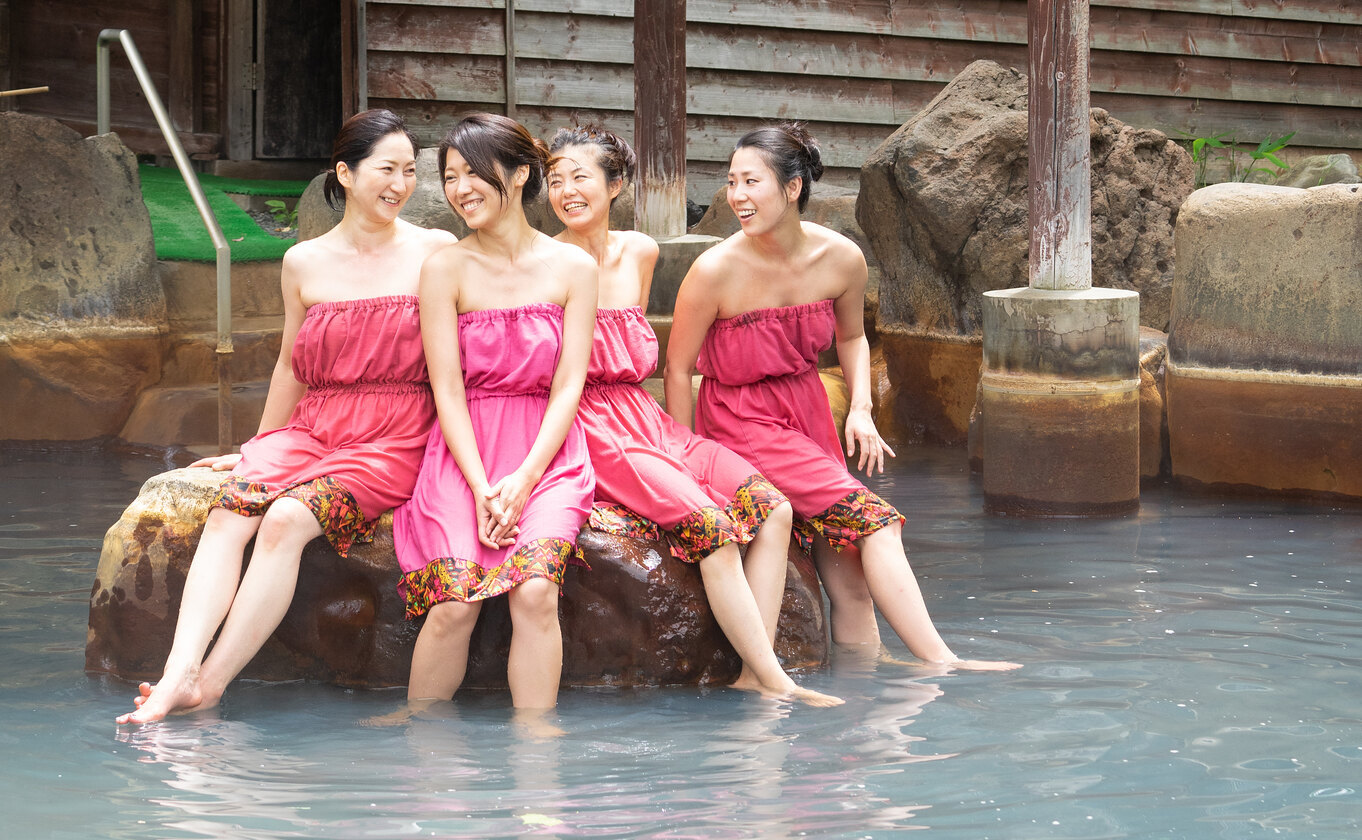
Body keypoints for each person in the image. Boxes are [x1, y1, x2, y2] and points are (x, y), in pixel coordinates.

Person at [117, 109, 458, 724]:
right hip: (316, 423)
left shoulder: (436, 251)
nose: (401, 184)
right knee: (229, 511)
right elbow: (290, 366)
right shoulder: (303, 261)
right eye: (387, 169)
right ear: (345, 174)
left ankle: (210, 685)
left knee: (285, 520)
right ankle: (177, 672)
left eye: (410, 171)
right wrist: (263, 444)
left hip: (397, 427)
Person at [664, 123, 1019, 672]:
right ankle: (940, 660)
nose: (736, 196)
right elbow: (679, 366)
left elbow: (853, 338)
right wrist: (686, 456)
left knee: (849, 571)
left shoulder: (842, 259)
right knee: (875, 520)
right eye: (731, 182)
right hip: (740, 418)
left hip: (808, 414)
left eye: (750, 182)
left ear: (793, 186)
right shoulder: (714, 270)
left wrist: (860, 408)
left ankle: (865, 694)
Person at [545, 125, 842, 706]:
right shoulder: (545, 262)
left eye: (580, 176)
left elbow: (665, 364)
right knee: (713, 529)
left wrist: (677, 433)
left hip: (648, 417)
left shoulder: (641, 251)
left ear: (617, 183)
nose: (566, 191)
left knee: (773, 509)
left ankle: (752, 670)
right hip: (591, 423)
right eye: (556, 180)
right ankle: (774, 677)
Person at [393, 113, 597, 711]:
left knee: (535, 591)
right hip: (465, 452)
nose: (459, 189)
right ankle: (421, 746)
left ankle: (537, 765)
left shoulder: (573, 268)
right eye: (450, 176)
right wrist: (483, 485)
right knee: (455, 600)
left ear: (520, 173)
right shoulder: (445, 268)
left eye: (473, 173)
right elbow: (447, 390)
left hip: (548, 451)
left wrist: (526, 478)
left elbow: (568, 387)